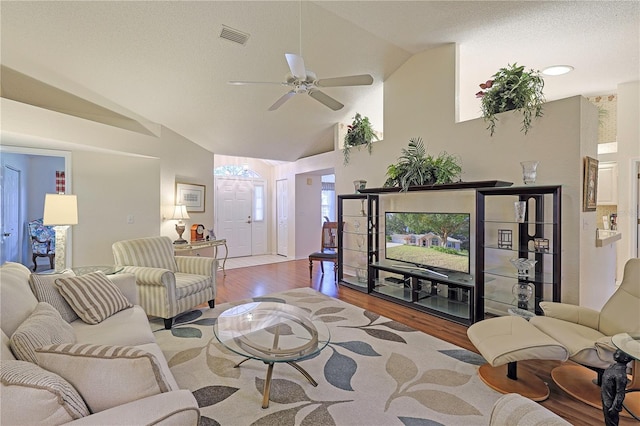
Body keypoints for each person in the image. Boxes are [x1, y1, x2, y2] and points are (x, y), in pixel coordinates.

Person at [601, 349, 633, 426]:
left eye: (618, 353)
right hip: (605, 398)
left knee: (611, 421)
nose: (615, 353)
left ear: (625, 359)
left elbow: (620, 393)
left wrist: (615, 408)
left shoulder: (620, 375)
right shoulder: (612, 367)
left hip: (610, 402)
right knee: (607, 419)